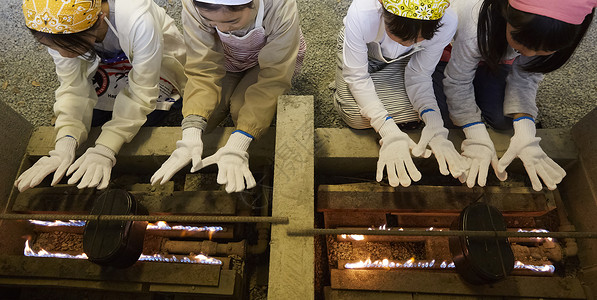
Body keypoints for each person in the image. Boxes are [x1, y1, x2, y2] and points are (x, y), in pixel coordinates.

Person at [15, 0, 186, 191]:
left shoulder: (138, 18)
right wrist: (64, 143)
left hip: (156, 62)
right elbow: (72, 85)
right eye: (53, 47)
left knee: (146, 116)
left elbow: (143, 90)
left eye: (69, 47)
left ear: (100, 19)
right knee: (93, 121)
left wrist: (106, 149)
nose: (63, 55)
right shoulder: (53, 27)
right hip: (108, 61)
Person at [151, 0, 306, 193]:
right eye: (210, 21)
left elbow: (274, 76)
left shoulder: (280, 7)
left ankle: (241, 138)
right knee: (206, 117)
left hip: (265, 61)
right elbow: (202, 66)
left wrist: (240, 140)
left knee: (241, 111)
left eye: (233, 21)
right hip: (226, 56)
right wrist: (191, 130)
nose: (223, 28)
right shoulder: (193, 4)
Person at [440, 0, 595, 191]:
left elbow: (526, 75)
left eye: (542, 50)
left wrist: (525, 131)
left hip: (495, 58)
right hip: (456, 54)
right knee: (445, 118)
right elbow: (457, 80)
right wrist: (474, 132)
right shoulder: (474, 22)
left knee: (504, 121)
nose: (529, 54)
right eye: (520, 41)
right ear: (506, 12)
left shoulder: (550, 34)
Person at [333, 0, 467, 188]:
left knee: (435, 112)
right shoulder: (364, 11)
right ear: (384, 12)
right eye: (400, 36)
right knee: (355, 116)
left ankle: (384, 87)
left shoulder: (447, 20)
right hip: (369, 54)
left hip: (406, 60)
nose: (409, 43)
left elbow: (420, 74)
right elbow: (356, 76)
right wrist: (388, 131)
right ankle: (385, 89)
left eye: (419, 38)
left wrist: (434, 123)